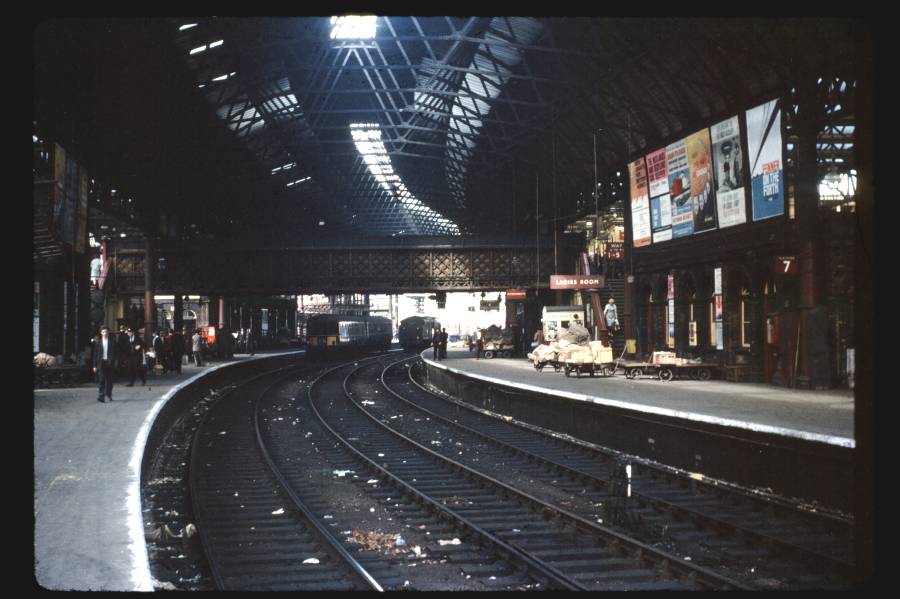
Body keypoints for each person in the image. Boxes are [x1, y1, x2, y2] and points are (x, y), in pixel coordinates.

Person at [92, 325, 118, 402]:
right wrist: (94, 365)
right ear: (101, 333)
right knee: (101, 379)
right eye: (103, 332)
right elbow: (95, 355)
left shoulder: (112, 342)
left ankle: (108, 394)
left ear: (108, 333)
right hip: (101, 363)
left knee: (109, 380)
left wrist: (116, 361)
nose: (105, 333)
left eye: (106, 332)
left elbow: (116, 353)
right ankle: (101, 396)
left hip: (109, 363)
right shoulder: (98, 343)